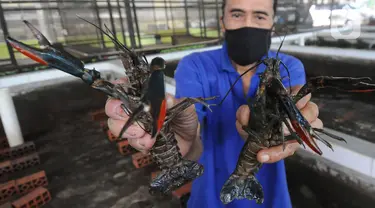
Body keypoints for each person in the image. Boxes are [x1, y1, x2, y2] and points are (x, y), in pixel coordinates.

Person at [105, 0, 322, 207]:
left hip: (271, 195)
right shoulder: (194, 65)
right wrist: (183, 143)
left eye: (259, 15)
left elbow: (294, 115)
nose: (248, 24)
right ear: (223, 22)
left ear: (272, 24)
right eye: (237, 14)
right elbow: (193, 131)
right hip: (209, 195)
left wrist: (298, 127)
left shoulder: (290, 67)